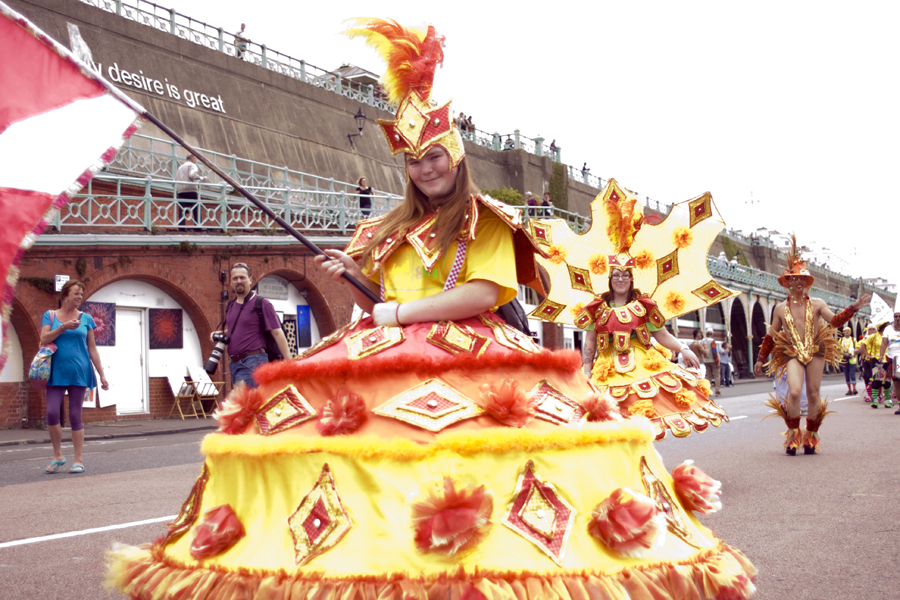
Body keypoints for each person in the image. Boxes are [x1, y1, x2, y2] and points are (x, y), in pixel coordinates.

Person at [108, 19, 755, 599]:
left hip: (478, 356)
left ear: (459, 156)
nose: (425, 169)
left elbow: (479, 295)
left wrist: (393, 316)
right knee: (379, 462)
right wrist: (367, 291)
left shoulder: (488, 223)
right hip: (397, 355)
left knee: (479, 468)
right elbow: (394, 300)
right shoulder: (389, 230)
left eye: (436, 156)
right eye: (414, 160)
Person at [755, 234, 870, 454]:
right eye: (793, 279)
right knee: (795, 392)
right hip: (791, 353)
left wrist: (853, 308)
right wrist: (761, 359)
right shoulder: (779, 308)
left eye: (801, 279)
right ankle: (792, 436)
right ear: (787, 283)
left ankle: (811, 437)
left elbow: (835, 322)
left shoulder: (818, 304)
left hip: (815, 351)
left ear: (806, 282)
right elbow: (770, 336)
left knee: (814, 393)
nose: (797, 283)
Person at [580, 266, 726, 432]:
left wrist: (683, 348)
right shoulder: (597, 308)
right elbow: (590, 341)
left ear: (631, 278)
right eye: (616, 275)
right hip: (606, 369)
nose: (620, 279)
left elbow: (662, 335)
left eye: (625, 275)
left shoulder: (643, 306)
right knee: (610, 419)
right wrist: (586, 372)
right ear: (610, 278)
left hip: (642, 364)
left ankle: (641, 453)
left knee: (643, 412)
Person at [40, 279, 109, 474]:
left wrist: (102, 374)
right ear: (65, 295)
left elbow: (92, 349)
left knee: (74, 415)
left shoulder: (86, 318)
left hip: (80, 371)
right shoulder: (50, 316)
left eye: (81, 293)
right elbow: (43, 339)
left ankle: (78, 460)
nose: (80, 296)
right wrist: (63, 327)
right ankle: (57, 455)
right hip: (56, 371)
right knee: (52, 413)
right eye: (76, 293)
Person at [209, 263, 291, 388]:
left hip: (253, 361)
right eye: (235, 278)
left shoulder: (262, 303)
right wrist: (220, 334)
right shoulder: (231, 305)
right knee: (243, 404)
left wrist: (289, 362)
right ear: (230, 282)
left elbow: (277, 332)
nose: (239, 281)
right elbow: (236, 329)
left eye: (242, 277)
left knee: (247, 404)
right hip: (235, 363)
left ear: (250, 280)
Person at [175, 154, 209, 231]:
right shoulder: (192, 165)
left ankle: (181, 227)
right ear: (193, 159)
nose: (196, 161)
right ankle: (197, 227)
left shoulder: (180, 167)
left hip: (181, 191)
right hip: (191, 189)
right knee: (196, 207)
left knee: (182, 208)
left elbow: (175, 179)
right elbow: (192, 175)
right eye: (196, 159)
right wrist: (202, 178)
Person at [877, 308, 900, 413]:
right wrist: (881, 356)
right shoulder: (888, 329)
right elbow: (883, 344)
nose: (898, 318)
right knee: (896, 383)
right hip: (892, 358)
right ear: (893, 318)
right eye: (896, 316)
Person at [860, 323, 882, 402]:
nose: (872, 331)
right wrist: (866, 355)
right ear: (867, 331)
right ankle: (870, 395)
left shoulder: (879, 338)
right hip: (867, 361)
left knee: (877, 378)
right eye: (870, 329)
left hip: (876, 361)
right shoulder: (865, 339)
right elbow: (861, 347)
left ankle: (878, 395)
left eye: (873, 329)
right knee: (867, 376)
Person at [700, 327, 721, 396]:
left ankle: (707, 391)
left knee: (708, 376)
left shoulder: (702, 341)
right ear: (712, 334)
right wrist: (717, 360)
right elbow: (714, 351)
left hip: (705, 360)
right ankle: (717, 391)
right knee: (717, 376)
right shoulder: (712, 341)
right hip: (713, 360)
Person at [839, 326, 859, 395]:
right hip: (843, 358)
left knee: (852, 374)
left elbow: (857, 349)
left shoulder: (853, 340)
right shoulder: (841, 340)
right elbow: (838, 350)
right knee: (846, 374)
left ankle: (854, 388)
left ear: (850, 332)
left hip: (852, 359)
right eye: (845, 331)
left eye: (848, 331)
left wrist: (853, 354)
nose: (847, 332)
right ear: (843, 332)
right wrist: (844, 353)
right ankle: (849, 389)